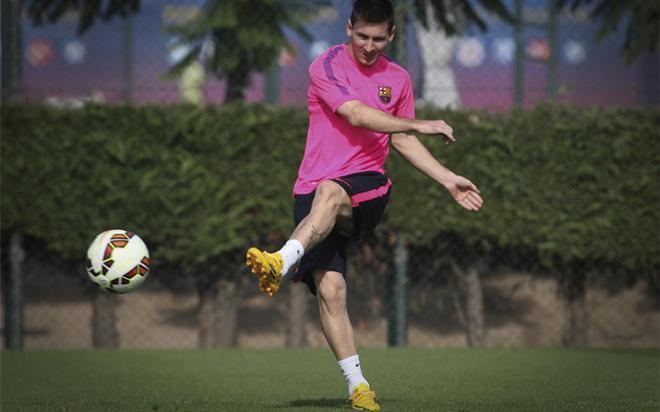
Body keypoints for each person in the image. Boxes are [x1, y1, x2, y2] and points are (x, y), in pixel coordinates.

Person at [246, 0, 483, 410]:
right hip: (311, 187)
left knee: (331, 192)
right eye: (362, 36)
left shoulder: (398, 78)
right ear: (348, 28)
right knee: (332, 291)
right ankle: (359, 387)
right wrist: (419, 122)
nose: (369, 46)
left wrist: (447, 179)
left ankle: (281, 261)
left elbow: (403, 139)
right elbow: (355, 114)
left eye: (378, 38)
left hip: (366, 186)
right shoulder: (327, 64)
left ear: (391, 35)